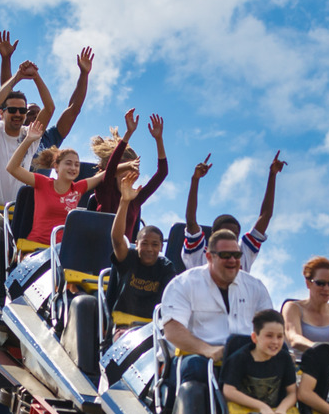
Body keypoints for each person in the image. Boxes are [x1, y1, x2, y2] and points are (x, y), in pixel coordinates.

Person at [158, 228, 275, 362]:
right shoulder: (183, 283)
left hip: (244, 361)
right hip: (195, 358)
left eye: (236, 255)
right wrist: (207, 349)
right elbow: (173, 331)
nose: (232, 260)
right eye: (225, 255)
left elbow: (270, 326)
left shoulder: (256, 287)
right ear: (209, 257)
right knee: (195, 368)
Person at [3, 122, 107, 249]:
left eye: (76, 165)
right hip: (35, 248)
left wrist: (126, 154)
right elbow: (12, 168)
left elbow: (104, 175)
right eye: (68, 163)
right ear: (56, 166)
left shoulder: (78, 189)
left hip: (61, 251)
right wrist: (28, 140)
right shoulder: (43, 183)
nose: (73, 168)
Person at [181, 150, 285, 271]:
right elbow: (191, 221)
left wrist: (272, 175)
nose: (230, 237)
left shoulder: (243, 254)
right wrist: (195, 180)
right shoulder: (199, 254)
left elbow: (265, 216)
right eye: (225, 232)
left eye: (234, 235)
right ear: (213, 236)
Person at [222, 310, 305, 414]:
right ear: (255, 337)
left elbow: (292, 393)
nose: (275, 342)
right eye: (269, 336)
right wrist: (260, 406)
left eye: (280, 337)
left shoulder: (284, 359)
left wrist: (282, 409)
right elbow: (228, 391)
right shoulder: (239, 358)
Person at [0, 60, 54, 212]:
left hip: (16, 213)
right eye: (12, 110)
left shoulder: (30, 135)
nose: (18, 114)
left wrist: (36, 77)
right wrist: (18, 76)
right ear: (1, 113)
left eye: (22, 111)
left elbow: (49, 108)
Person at [107, 170, 179, 327]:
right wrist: (124, 202)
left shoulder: (166, 267)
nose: (149, 249)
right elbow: (117, 239)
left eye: (155, 245)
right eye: (144, 243)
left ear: (161, 247)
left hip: (150, 329)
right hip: (123, 325)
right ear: (136, 243)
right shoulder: (129, 258)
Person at [89, 111, 168, 241]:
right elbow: (110, 169)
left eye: (132, 173)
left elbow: (162, 173)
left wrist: (159, 139)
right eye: (124, 171)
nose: (127, 177)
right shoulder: (105, 190)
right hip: (100, 251)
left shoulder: (135, 199)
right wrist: (128, 133)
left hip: (123, 255)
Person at [281, 256, 329, 353]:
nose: (327, 289)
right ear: (308, 283)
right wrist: (321, 350)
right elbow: (294, 338)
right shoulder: (293, 308)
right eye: (321, 283)